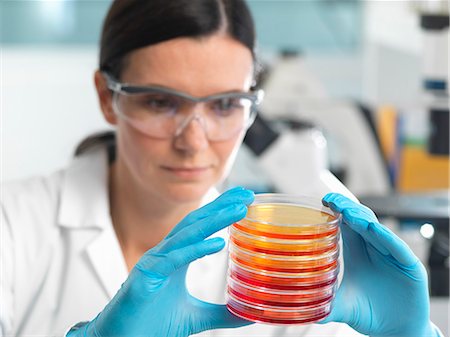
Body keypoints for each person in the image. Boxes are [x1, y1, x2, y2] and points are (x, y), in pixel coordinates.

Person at [1, 1, 443, 336]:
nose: (194, 141)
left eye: (226, 104)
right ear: (106, 97)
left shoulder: (280, 265)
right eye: (160, 102)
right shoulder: (13, 224)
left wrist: (412, 336)